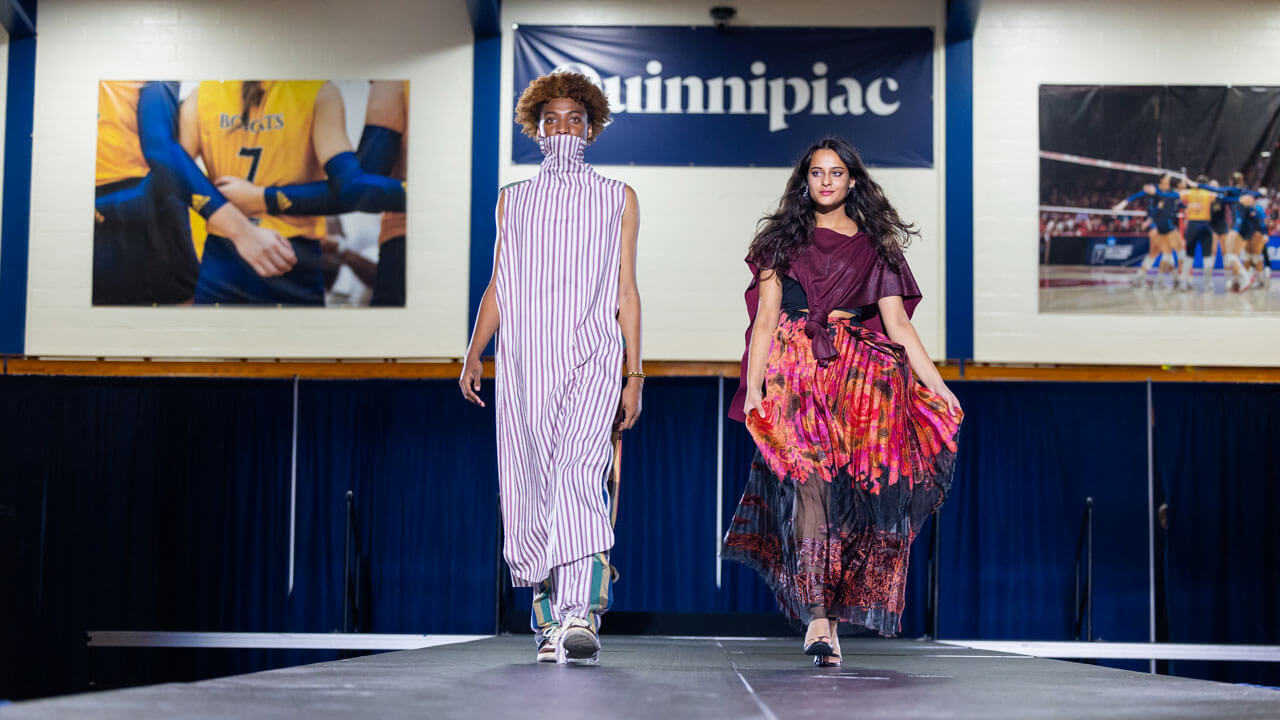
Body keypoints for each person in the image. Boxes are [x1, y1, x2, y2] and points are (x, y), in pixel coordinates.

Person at [722, 136, 963, 668]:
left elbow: (898, 326)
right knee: (809, 488)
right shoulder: (780, 241)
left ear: (852, 180)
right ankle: (816, 617)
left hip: (858, 380)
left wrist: (939, 386)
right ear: (805, 180)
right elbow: (765, 320)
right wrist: (755, 386)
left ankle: (829, 618)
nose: (826, 181)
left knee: (851, 502)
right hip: (794, 371)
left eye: (836, 172)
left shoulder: (876, 245)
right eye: (817, 172)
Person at [459, 72, 643, 665]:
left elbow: (626, 291)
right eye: (552, 120)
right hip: (525, 361)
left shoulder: (618, 196)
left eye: (575, 120)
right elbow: (499, 284)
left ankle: (579, 613)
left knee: (578, 476)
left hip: (593, 355)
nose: (563, 129)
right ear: (536, 131)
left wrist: (634, 374)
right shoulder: (513, 199)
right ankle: (546, 622)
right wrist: (474, 352)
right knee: (533, 487)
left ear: (591, 129)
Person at [180, 81, 395, 304]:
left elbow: (175, 177)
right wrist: (264, 198)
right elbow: (351, 189)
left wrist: (253, 202)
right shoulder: (317, 92)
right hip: (291, 257)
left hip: (225, 257)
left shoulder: (203, 95)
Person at [93, 81, 288, 304]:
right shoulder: (155, 79)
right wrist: (241, 230)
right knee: (180, 302)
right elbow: (160, 150)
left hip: (104, 205)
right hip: (147, 202)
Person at [1114, 176, 1182, 289]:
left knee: (1156, 253)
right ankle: (1170, 279)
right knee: (1164, 252)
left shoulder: (1169, 193)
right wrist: (1122, 204)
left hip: (1162, 224)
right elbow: (1138, 195)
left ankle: (1141, 277)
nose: (1169, 180)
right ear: (1162, 180)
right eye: (1167, 178)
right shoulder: (1155, 189)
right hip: (1155, 225)